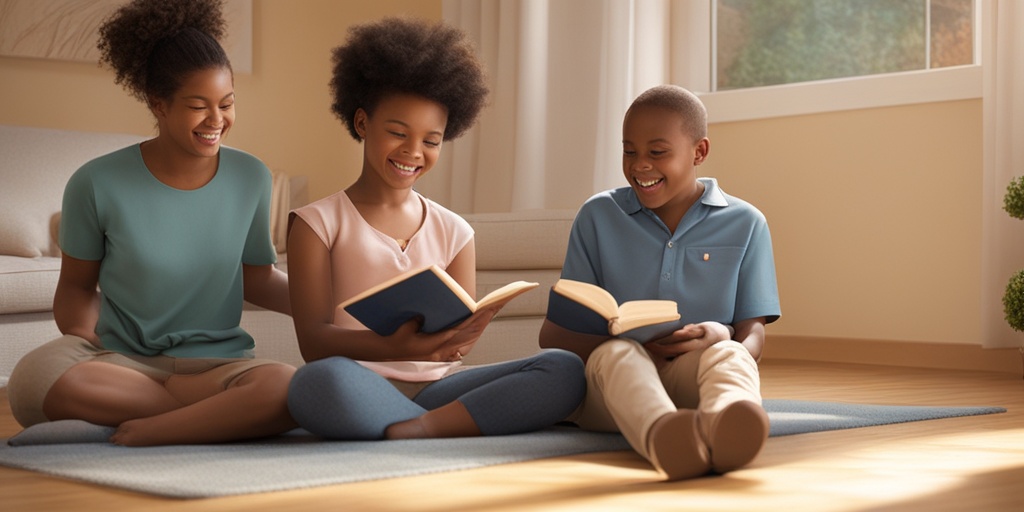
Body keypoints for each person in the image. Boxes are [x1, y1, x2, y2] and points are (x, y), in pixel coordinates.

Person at [6, 0, 296, 446]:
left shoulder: (251, 176)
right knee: (33, 378)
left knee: (284, 386)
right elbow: (76, 290)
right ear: (158, 104)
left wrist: (334, 304)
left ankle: (155, 429)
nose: (216, 121)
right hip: (123, 363)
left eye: (227, 103)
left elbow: (258, 279)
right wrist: (102, 345)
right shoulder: (96, 181)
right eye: (198, 106)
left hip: (215, 366)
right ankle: (215, 420)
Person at [285, 17, 586, 440]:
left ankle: (418, 428)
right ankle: (443, 426)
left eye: (431, 140)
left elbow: (459, 345)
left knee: (564, 368)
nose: (413, 152)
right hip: (358, 381)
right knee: (313, 383)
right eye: (397, 133)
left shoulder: (456, 230)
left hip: (441, 388)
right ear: (361, 123)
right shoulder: (317, 224)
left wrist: (457, 338)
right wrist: (394, 349)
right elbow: (314, 343)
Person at [539, 85, 781, 480]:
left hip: (693, 381)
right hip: (616, 392)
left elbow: (752, 333)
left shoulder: (747, 222)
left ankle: (727, 424)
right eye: (629, 151)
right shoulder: (598, 216)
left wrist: (721, 337)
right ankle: (662, 436)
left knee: (732, 354)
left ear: (698, 152)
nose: (640, 166)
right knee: (615, 356)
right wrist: (630, 344)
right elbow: (553, 335)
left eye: (657, 152)